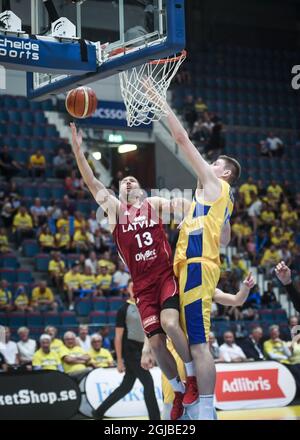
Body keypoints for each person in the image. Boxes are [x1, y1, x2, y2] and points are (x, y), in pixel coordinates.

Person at [70, 122, 198, 420]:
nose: (128, 183)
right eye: (124, 181)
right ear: (119, 191)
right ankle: (178, 389)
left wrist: (188, 217)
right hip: (141, 285)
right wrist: (78, 149)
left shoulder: (152, 204)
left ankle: (191, 377)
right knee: (153, 342)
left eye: (132, 180)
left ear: (140, 189)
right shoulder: (116, 212)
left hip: (164, 276)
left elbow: (183, 205)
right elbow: (91, 182)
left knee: (170, 323)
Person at [162, 100, 241, 419]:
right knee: (190, 339)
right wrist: (197, 222)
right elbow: (225, 238)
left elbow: (181, 140)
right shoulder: (215, 201)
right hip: (194, 267)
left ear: (225, 173)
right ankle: (196, 402)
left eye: (214, 163)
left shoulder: (216, 184)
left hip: (197, 267)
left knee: (198, 344)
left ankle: (206, 408)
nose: (208, 164)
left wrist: (161, 105)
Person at [92, 281, 160, 420]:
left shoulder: (147, 306)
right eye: (132, 286)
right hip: (130, 351)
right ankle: (156, 420)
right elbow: (117, 337)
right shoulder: (124, 309)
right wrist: (119, 361)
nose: (136, 287)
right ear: (128, 290)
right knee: (148, 383)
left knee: (126, 386)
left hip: (142, 349)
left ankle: (98, 412)